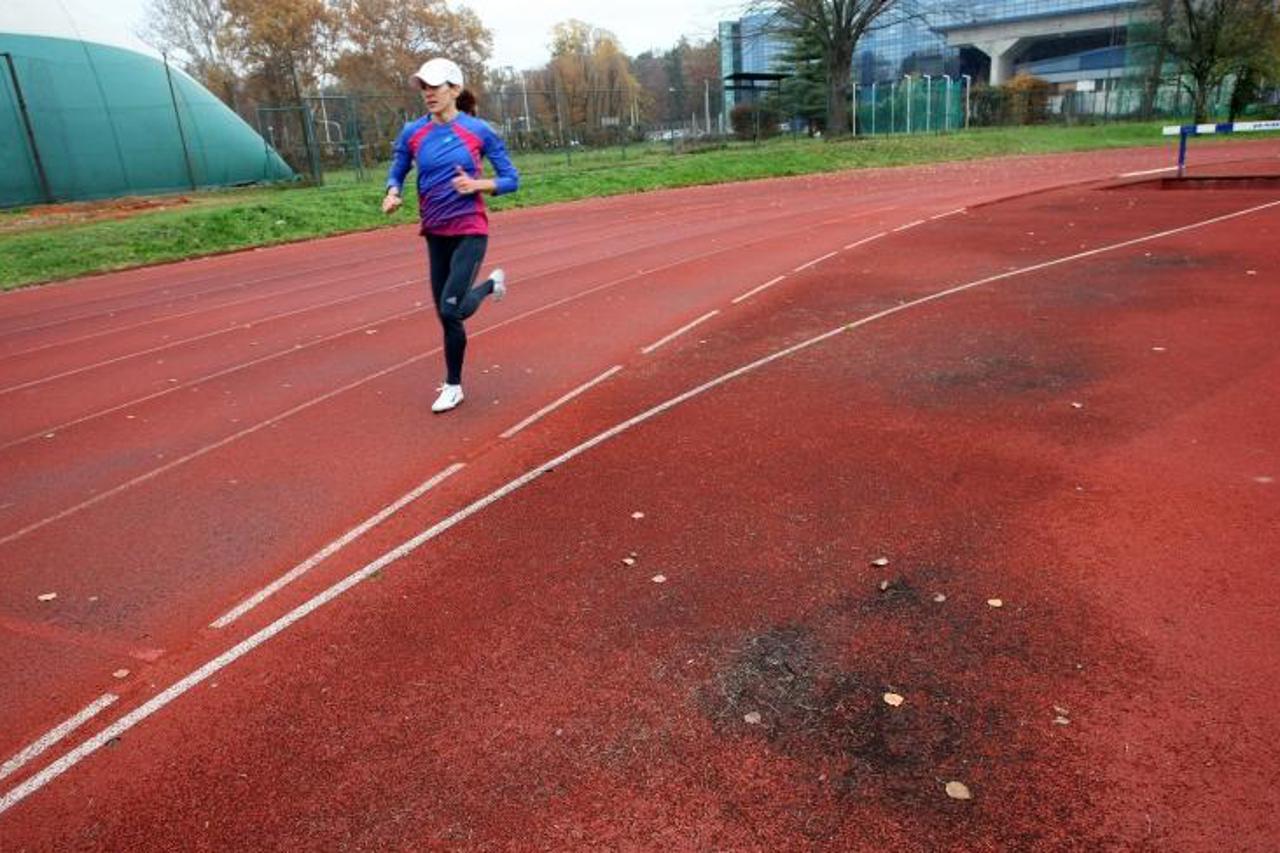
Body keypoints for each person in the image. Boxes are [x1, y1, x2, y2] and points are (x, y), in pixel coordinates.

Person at [383, 57, 519, 413]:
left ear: (454, 90)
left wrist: (477, 184)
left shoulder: (479, 131)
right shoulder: (413, 133)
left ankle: (454, 385)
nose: (428, 93)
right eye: (423, 87)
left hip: (470, 231)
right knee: (445, 314)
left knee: (450, 309)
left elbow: (511, 179)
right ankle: (491, 285)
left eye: (435, 87)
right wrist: (393, 192)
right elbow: (397, 169)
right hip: (435, 233)